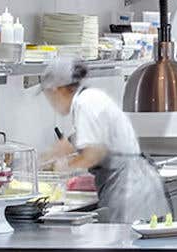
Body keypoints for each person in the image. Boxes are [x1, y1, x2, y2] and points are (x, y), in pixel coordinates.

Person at [41, 54, 168, 224]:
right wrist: (44, 159)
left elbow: (93, 154)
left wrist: (62, 168)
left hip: (127, 189)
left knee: (125, 247)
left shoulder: (84, 104)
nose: (50, 101)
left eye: (49, 94)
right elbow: (74, 142)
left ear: (60, 89)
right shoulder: (89, 98)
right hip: (135, 183)